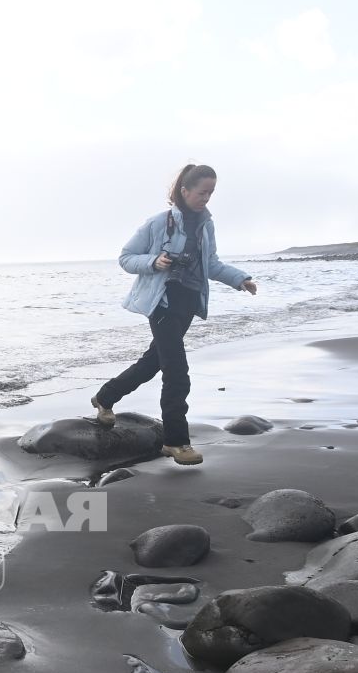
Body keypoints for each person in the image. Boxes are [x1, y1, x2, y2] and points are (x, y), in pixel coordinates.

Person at [90, 164, 257, 466]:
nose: (206, 198)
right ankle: (176, 441)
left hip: (188, 304)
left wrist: (239, 279)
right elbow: (126, 258)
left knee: (154, 361)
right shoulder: (158, 222)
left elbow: (212, 264)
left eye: (211, 193)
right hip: (163, 302)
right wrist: (155, 261)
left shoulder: (206, 225)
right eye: (202, 192)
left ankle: (105, 397)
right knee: (177, 372)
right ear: (185, 190)